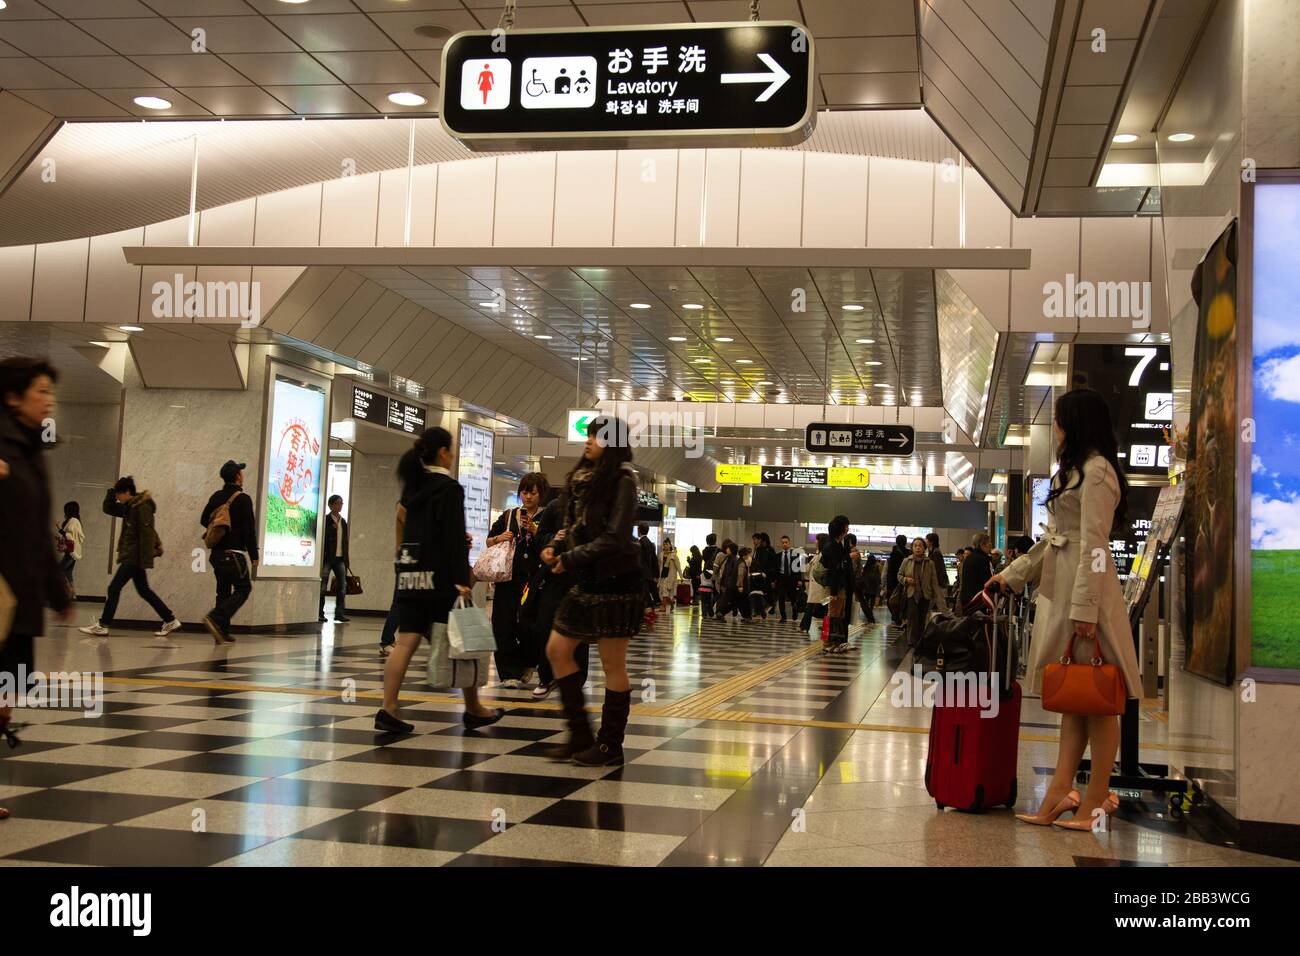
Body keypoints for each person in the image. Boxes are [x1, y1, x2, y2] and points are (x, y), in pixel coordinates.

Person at [989, 388, 1138, 829]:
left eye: (1059, 421)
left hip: (1085, 594)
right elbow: (1053, 539)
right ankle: (1059, 794)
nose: (1054, 429)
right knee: (1074, 699)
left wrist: (1086, 610)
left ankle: (1095, 801)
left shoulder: (1096, 473)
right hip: (1064, 592)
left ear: (1076, 424)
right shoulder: (1073, 473)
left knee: (1098, 700)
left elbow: (1093, 543)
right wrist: (1012, 574)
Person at [377, 427, 502, 733]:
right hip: (440, 580)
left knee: (405, 640)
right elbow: (449, 538)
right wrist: (462, 578)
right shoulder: (448, 488)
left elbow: (402, 520)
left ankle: (388, 708)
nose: (454, 454)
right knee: (463, 640)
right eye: (452, 449)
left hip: (411, 574)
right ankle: (473, 708)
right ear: (443, 452)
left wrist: (401, 561)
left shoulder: (412, 486)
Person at [541, 416, 644, 765]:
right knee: (557, 649)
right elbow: (573, 526)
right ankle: (579, 733)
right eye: (587, 436)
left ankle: (609, 745)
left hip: (617, 580)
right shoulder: (582, 480)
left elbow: (616, 537)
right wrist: (556, 546)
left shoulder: (623, 480)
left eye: (596, 437)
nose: (587, 442)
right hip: (586, 578)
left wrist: (570, 558)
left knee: (612, 662)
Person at [0, 357, 74, 821]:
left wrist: (59, 591)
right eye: (40, 391)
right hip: (0, 598)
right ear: (12, 397)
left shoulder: (31, 451)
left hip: (17, 603)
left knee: (5, 697)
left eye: (51, 391)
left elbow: (36, 532)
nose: (49, 400)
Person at [78, 476, 180, 642]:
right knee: (144, 590)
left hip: (134, 557)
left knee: (114, 588)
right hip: (134, 556)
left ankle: (103, 625)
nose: (117, 498)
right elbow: (109, 508)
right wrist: (111, 491)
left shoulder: (141, 507)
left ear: (127, 492)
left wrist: (146, 557)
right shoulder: (130, 507)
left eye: (118, 494)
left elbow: (147, 534)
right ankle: (170, 620)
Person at [485, 472, 548, 688]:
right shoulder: (509, 515)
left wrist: (535, 529)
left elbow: (552, 545)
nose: (528, 497)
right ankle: (507, 673)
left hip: (533, 582)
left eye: (533, 492)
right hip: (507, 579)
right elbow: (489, 541)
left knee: (529, 626)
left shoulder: (547, 516)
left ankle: (529, 662)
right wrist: (498, 538)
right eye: (524, 492)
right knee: (502, 625)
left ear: (541, 494)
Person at [525, 487, 588, 700]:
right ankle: (547, 677)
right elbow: (540, 537)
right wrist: (552, 540)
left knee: (578, 632)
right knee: (543, 627)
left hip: (580, 579)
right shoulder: (555, 507)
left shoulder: (592, 510)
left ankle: (576, 679)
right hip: (553, 578)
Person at [199, 460, 259, 645]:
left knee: (223, 591)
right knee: (243, 588)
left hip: (217, 554)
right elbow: (249, 529)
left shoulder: (216, 495)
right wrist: (254, 556)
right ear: (238, 476)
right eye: (241, 472)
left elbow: (203, 520)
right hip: (234, 553)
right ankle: (216, 617)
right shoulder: (243, 498)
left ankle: (222, 632)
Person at [819, 516, 855, 653]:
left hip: (839, 586)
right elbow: (833, 570)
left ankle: (835, 641)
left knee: (837, 614)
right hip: (834, 587)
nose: (847, 529)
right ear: (841, 529)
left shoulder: (838, 543)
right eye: (846, 527)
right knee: (832, 614)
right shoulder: (831, 546)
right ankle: (826, 642)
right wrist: (833, 592)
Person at [899, 536, 940, 647]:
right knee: (913, 618)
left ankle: (921, 640)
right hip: (911, 594)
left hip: (925, 595)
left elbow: (934, 581)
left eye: (920, 546)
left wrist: (937, 597)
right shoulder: (906, 561)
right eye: (915, 546)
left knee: (922, 619)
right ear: (912, 548)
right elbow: (899, 575)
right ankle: (912, 641)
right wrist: (906, 580)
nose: (917, 548)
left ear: (924, 548)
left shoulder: (929, 563)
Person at [318, 494, 351, 624]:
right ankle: (320, 613)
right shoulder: (326, 520)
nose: (340, 505)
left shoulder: (343, 521)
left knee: (342, 586)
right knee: (323, 586)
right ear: (330, 505)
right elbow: (323, 538)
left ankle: (339, 613)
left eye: (341, 503)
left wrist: (347, 559)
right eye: (337, 503)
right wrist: (333, 530)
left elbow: (345, 541)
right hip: (327, 558)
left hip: (340, 558)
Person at [800, 534, 829, 633]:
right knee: (818, 608)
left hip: (819, 586)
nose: (815, 542)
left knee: (819, 608)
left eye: (817, 540)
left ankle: (805, 627)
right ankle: (804, 627)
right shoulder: (818, 555)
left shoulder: (823, 555)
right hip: (815, 587)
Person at [56, 500, 84, 596]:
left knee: (59, 571)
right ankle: (73, 592)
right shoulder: (76, 521)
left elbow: (69, 536)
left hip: (71, 552)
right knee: (68, 572)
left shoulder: (73, 521)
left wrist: (59, 528)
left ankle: (69, 591)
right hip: (74, 551)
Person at [960, 533, 995, 607]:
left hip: (967, 599)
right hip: (978, 600)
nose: (991, 545)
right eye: (989, 542)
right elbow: (986, 581)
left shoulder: (968, 558)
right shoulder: (982, 560)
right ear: (982, 544)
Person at [775, 534, 801, 623]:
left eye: (786, 542)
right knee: (781, 598)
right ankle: (783, 616)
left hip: (791, 578)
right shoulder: (778, 556)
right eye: (783, 543)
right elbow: (776, 569)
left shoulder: (795, 555)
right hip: (781, 579)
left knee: (792, 598)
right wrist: (775, 580)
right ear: (781, 544)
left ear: (789, 543)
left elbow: (798, 568)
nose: (784, 544)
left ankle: (795, 611)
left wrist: (799, 580)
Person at [637, 522, 658, 621]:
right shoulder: (650, 543)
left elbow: (639, 560)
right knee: (645, 593)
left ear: (639, 531)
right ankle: (648, 612)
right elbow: (654, 559)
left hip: (641, 573)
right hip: (648, 573)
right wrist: (655, 574)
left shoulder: (640, 543)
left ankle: (650, 613)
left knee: (644, 593)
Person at [885, 533, 908, 620]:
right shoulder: (909, 553)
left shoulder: (894, 554)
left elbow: (890, 570)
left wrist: (888, 583)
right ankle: (903, 617)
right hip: (906, 581)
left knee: (893, 600)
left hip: (894, 581)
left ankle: (896, 617)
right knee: (904, 600)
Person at [926, 532, 950, 610]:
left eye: (926, 539)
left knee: (941, 604)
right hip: (937, 583)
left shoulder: (936, 552)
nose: (925, 541)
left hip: (939, 583)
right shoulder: (932, 552)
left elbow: (938, 569)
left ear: (931, 542)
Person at [659, 536, 682, 613]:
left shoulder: (673, 555)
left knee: (668, 593)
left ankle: (663, 606)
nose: (665, 546)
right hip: (663, 576)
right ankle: (671, 603)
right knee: (663, 592)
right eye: (664, 544)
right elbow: (659, 566)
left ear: (670, 545)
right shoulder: (661, 555)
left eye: (667, 544)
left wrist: (681, 577)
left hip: (670, 576)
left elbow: (678, 566)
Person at [858, 553, 881, 624]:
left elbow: (863, 577)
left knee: (866, 601)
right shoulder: (876, 567)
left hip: (866, 587)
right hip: (873, 588)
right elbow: (877, 578)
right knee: (872, 602)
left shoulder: (866, 567)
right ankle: (870, 611)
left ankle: (868, 612)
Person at [700, 533, 720, 617]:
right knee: (716, 592)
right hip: (715, 572)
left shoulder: (704, 550)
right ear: (715, 540)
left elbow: (704, 560)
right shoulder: (718, 550)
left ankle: (705, 609)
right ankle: (710, 606)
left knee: (706, 591)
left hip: (706, 572)